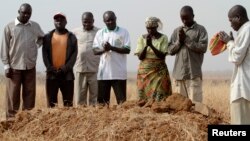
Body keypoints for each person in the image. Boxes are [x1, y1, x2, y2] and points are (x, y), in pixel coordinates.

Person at [0, 3, 44, 119]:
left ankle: (27, 120)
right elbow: (4, 47)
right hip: (14, 67)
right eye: (24, 12)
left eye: (29, 13)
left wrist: (36, 46)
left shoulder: (34, 26)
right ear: (18, 11)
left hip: (30, 66)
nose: (26, 15)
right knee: (12, 96)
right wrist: (6, 66)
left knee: (29, 94)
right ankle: (11, 121)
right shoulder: (9, 27)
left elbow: (42, 37)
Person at [168, 5, 208, 103]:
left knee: (196, 107)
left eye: (187, 18)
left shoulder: (201, 30)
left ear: (193, 16)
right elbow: (169, 50)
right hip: (179, 75)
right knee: (180, 108)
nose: (184, 21)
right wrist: (179, 42)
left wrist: (186, 39)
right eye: (182, 19)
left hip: (193, 74)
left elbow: (203, 48)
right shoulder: (176, 31)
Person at [218, 5, 250, 124]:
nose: (230, 24)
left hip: (243, 88)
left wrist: (229, 42)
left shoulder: (246, 29)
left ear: (238, 17)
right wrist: (233, 42)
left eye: (231, 20)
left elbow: (237, 57)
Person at [93, 11, 131, 105]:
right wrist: (104, 50)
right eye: (107, 20)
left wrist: (112, 48)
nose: (110, 22)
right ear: (104, 21)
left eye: (112, 20)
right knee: (102, 104)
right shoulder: (100, 33)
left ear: (115, 19)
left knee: (122, 103)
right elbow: (94, 51)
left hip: (119, 73)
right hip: (103, 74)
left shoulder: (124, 32)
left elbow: (127, 50)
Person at [42, 12, 78, 108]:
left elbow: (74, 55)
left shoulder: (72, 37)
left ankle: (69, 123)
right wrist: (50, 67)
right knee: (51, 105)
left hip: (67, 75)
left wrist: (65, 68)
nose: (59, 21)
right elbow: (44, 54)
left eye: (61, 19)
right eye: (56, 19)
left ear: (66, 22)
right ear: (54, 22)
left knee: (68, 104)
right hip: (52, 75)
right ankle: (52, 123)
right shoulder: (47, 37)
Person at [134, 17, 172, 102]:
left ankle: (159, 110)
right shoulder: (142, 38)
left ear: (157, 27)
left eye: (152, 28)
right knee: (144, 96)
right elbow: (140, 57)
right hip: (144, 71)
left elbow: (162, 56)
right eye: (148, 28)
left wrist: (151, 45)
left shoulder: (163, 38)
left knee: (159, 94)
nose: (150, 30)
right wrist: (146, 45)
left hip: (159, 71)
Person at [72, 12, 100, 106]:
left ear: (93, 21)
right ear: (82, 21)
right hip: (80, 68)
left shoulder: (99, 32)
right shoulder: (75, 32)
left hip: (95, 69)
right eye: (85, 22)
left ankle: (94, 119)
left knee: (94, 99)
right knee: (79, 99)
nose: (87, 24)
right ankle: (80, 118)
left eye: (89, 22)